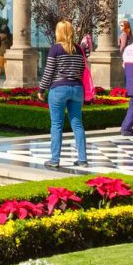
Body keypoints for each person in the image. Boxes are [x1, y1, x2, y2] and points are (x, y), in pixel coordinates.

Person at [38, 20, 88, 170]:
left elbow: (49, 72)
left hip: (59, 88)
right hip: (77, 88)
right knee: (77, 124)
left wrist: (41, 89)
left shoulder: (56, 49)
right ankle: (82, 159)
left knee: (57, 125)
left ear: (59, 32)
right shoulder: (79, 49)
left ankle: (55, 159)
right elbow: (82, 71)